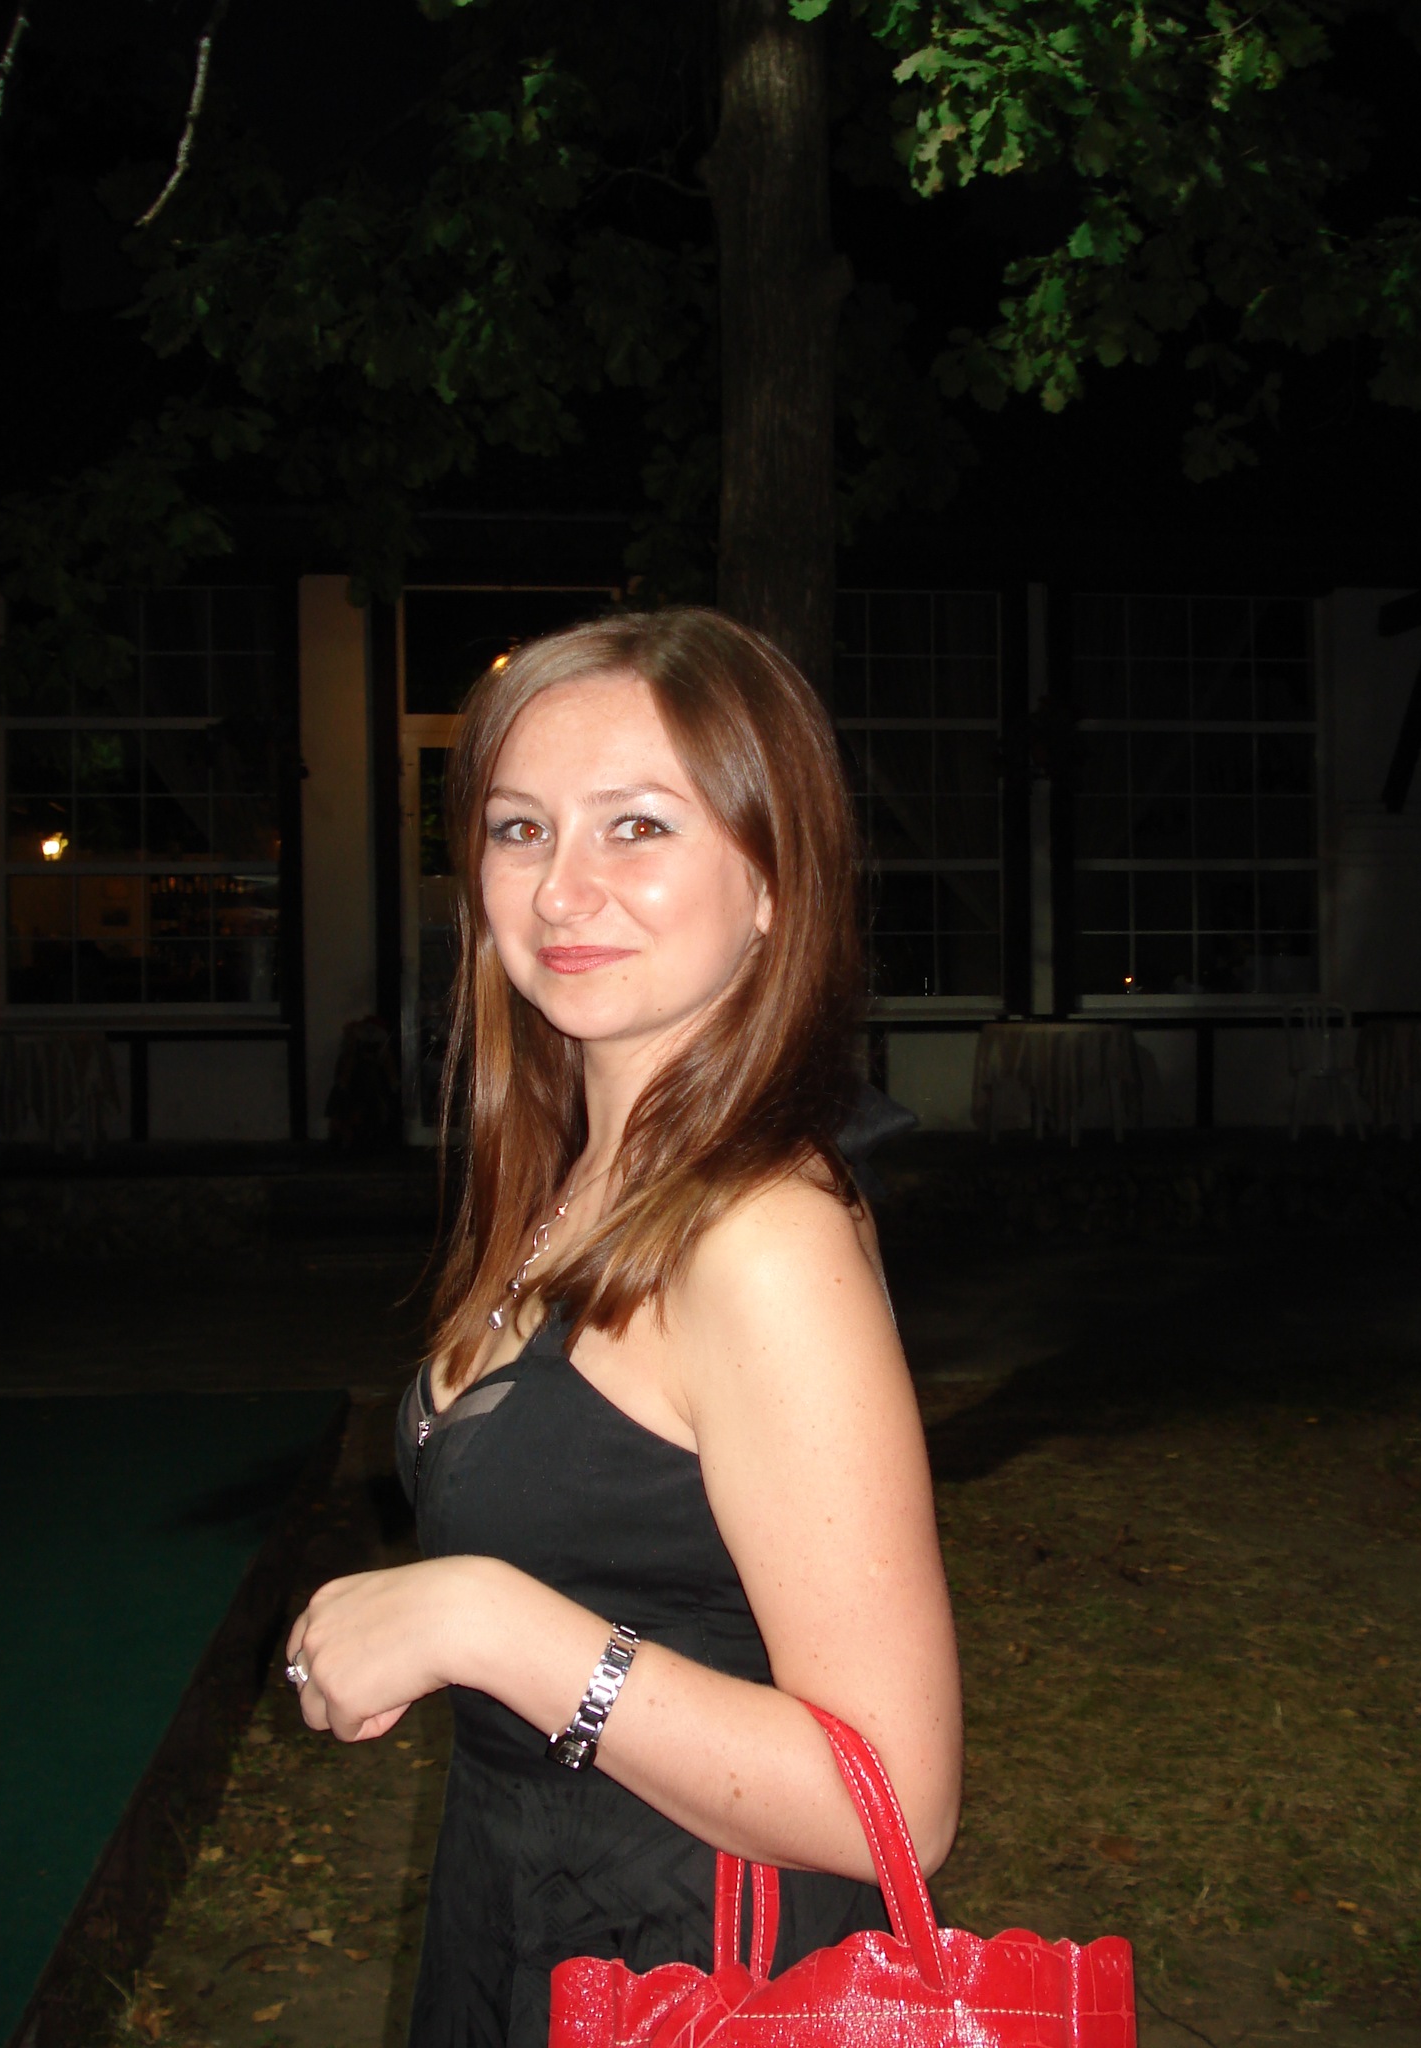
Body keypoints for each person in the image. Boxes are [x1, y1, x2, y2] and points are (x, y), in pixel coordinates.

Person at [284, 608, 963, 2047]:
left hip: (687, 1978)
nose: (561, 887)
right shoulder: (574, 1179)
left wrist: (482, 1621)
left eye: (638, 826)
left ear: (772, 881)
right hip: (522, 1919)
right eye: (520, 829)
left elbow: (893, 1805)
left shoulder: (760, 1239)